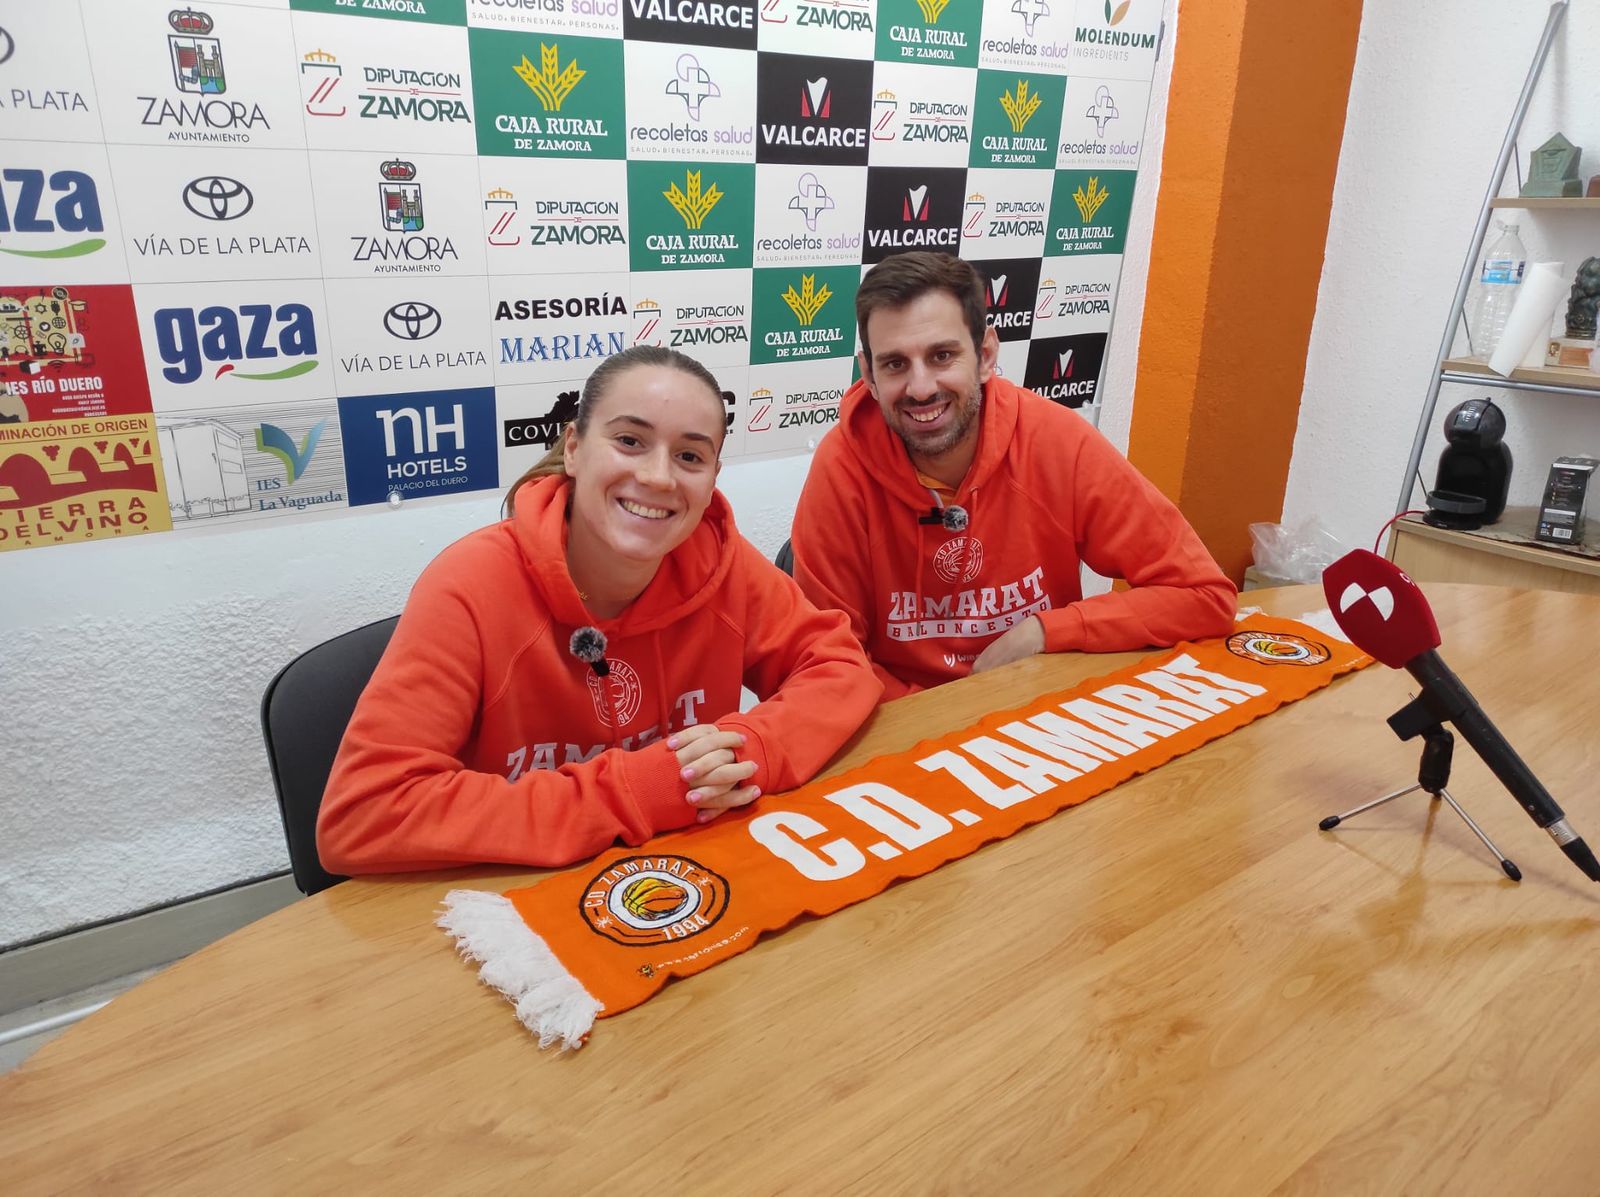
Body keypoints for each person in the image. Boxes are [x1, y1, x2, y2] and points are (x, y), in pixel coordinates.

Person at [318, 346, 882, 873]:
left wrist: (753, 750)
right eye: (630, 441)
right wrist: (635, 792)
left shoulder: (722, 563)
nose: (658, 476)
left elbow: (840, 667)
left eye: (689, 456)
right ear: (574, 448)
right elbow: (364, 813)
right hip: (510, 893)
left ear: (713, 478)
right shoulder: (468, 585)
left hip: (687, 871)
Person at [790, 251, 1236, 701]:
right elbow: (830, 660)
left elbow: (1204, 595)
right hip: (905, 716)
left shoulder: (1056, 440)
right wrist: (936, 716)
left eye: (942, 356)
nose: (921, 388)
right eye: (895, 364)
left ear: (985, 355)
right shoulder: (840, 468)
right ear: (868, 374)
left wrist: (1046, 630)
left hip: (1035, 707)